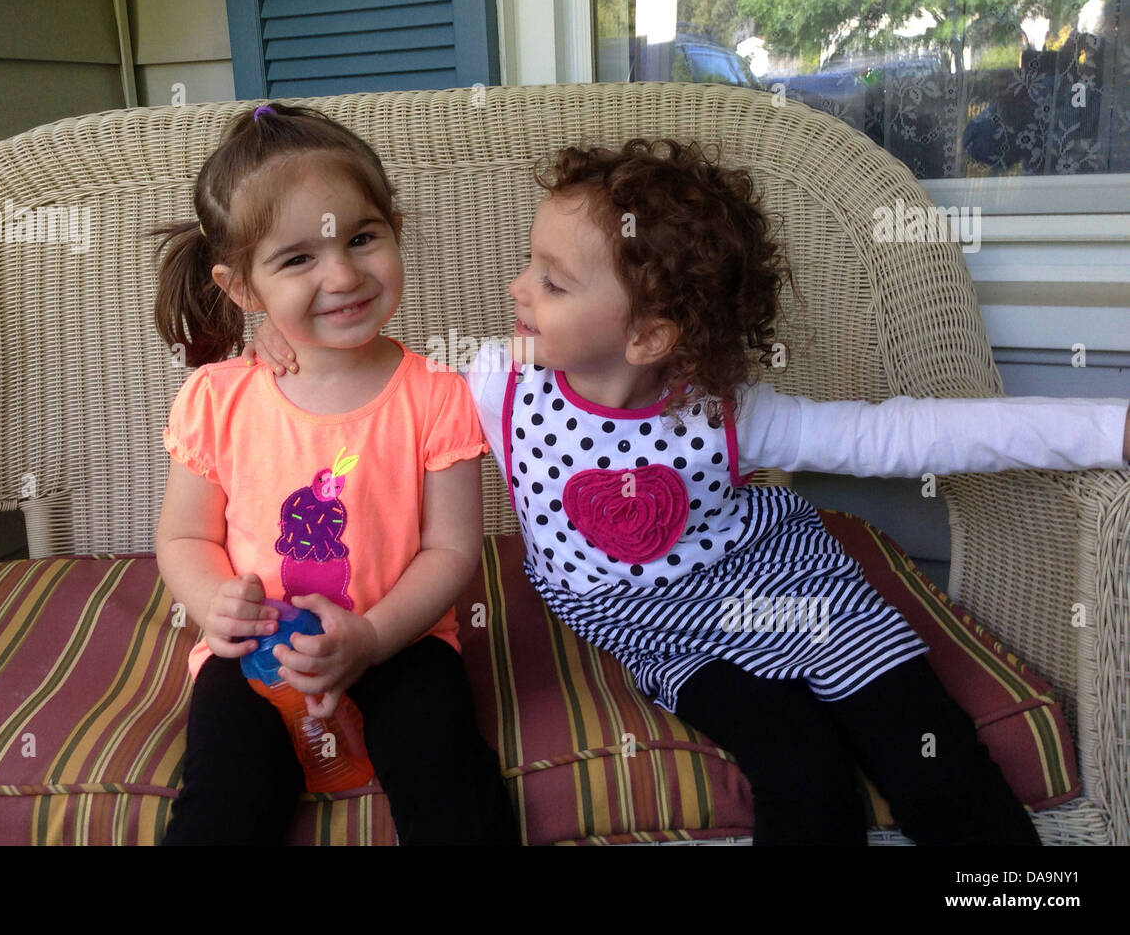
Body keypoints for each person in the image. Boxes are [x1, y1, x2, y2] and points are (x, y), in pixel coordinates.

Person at [249, 135, 1130, 845]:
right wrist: (285, 354)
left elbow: (905, 434)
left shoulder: (732, 412)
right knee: (801, 772)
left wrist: (1104, 428)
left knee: (928, 749)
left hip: (791, 588)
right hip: (648, 624)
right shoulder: (495, 382)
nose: (517, 288)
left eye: (552, 281)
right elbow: (380, 404)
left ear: (649, 336)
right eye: (530, 262)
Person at [152, 102, 519, 846]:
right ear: (243, 288)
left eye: (361, 237)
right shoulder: (218, 398)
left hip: (402, 640)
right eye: (298, 259)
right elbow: (184, 535)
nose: (344, 274)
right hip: (257, 652)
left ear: (395, 232)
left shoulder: (436, 395)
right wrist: (216, 604)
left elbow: (451, 549)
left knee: (450, 783)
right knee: (224, 796)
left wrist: (374, 638)